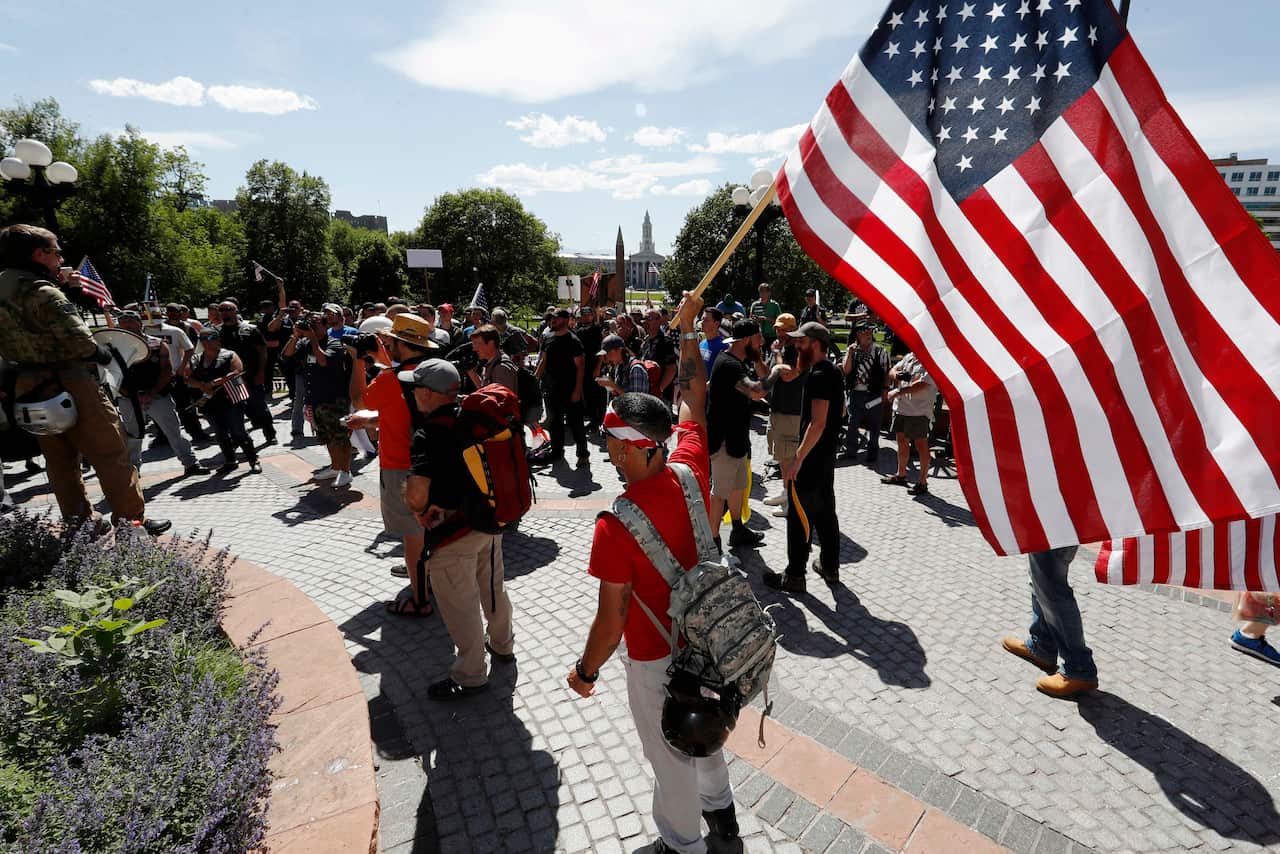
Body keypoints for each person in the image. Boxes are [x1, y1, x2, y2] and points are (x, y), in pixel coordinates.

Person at [566, 292, 739, 854]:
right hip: (707, 637)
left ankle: (682, 842)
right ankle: (724, 818)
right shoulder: (687, 463)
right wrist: (688, 329)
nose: (609, 452)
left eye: (614, 442)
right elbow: (692, 396)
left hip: (655, 656)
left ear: (639, 447)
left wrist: (586, 670)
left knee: (669, 755)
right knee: (706, 729)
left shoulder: (615, 525)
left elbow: (611, 618)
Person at [0, 225, 169, 534]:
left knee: (60, 461)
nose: (60, 258)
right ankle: (132, 522)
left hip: (27, 383)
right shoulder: (42, 291)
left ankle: (81, 525)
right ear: (39, 254)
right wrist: (103, 354)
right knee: (111, 453)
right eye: (57, 251)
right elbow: (81, 342)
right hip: (72, 381)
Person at [402, 360, 516, 700]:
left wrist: (418, 510)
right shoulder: (473, 418)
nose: (412, 393)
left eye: (415, 387)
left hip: (451, 533)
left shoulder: (428, 432)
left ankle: (470, 674)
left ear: (427, 393)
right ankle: (503, 645)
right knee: (493, 588)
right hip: (489, 521)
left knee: (460, 603)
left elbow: (417, 493)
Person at [346, 313, 439, 613]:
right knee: (433, 529)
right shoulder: (435, 371)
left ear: (400, 343)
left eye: (390, 341)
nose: (386, 345)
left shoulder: (388, 379)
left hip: (402, 467)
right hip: (435, 461)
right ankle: (431, 580)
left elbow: (360, 400)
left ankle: (419, 599)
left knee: (413, 536)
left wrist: (358, 361)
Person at [764, 322, 843, 593]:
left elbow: (818, 423)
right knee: (825, 513)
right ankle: (830, 567)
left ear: (815, 344)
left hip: (810, 460)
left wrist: (797, 459)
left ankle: (794, 576)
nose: (796, 346)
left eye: (801, 342)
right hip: (826, 457)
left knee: (798, 517)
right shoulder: (832, 371)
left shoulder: (820, 375)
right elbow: (840, 413)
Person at [706, 319, 772, 551]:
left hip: (736, 439)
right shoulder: (729, 365)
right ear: (746, 340)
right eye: (758, 338)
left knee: (738, 486)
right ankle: (713, 540)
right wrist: (778, 373)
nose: (762, 341)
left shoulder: (737, 361)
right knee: (720, 492)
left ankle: (737, 528)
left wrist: (759, 359)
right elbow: (755, 392)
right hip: (725, 440)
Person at [113, 311, 206, 476]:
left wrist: (151, 393)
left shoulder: (157, 344)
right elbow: (110, 374)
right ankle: (133, 470)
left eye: (130, 320)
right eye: (123, 321)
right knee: (133, 436)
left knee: (174, 431)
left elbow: (167, 370)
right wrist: (130, 395)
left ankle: (190, 463)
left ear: (139, 323)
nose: (127, 324)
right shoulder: (113, 348)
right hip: (128, 399)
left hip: (157, 395)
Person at [1001, 547, 1099, 698]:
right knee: (1040, 579)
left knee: (1051, 585)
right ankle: (1042, 645)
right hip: (1052, 525)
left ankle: (1079, 669)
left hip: (1057, 525)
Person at [283, 312, 352, 486]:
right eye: (309, 323)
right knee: (326, 436)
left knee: (339, 437)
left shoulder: (335, 343)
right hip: (315, 399)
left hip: (334, 399)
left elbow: (323, 361)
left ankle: (346, 471)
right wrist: (296, 335)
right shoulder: (304, 343)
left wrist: (313, 339)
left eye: (315, 323)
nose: (311, 326)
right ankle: (335, 467)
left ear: (325, 326)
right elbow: (287, 355)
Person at [186, 327, 260, 475]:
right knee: (220, 433)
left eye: (210, 338)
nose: (206, 342)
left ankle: (253, 460)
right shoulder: (195, 358)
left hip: (231, 399)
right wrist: (201, 385)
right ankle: (230, 461)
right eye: (202, 339)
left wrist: (212, 383)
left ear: (217, 339)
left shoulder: (229, 355)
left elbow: (236, 372)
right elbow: (187, 377)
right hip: (209, 402)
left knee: (238, 431)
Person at [215, 300, 276, 445]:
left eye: (228, 309)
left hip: (252, 375)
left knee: (259, 406)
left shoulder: (250, 329)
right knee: (237, 410)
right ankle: (240, 439)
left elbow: (262, 351)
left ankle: (270, 433)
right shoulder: (216, 332)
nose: (224, 312)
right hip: (231, 379)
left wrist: (261, 373)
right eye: (221, 309)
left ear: (236, 311)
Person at [534, 308, 588, 466]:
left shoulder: (573, 341)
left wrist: (578, 390)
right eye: (551, 319)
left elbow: (580, 367)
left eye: (555, 319)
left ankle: (583, 454)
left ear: (565, 320)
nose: (552, 321)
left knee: (576, 423)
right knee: (554, 422)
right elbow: (543, 360)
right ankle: (557, 452)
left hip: (570, 389)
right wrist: (535, 379)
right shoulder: (548, 338)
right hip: (551, 389)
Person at [763, 314, 805, 516]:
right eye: (778, 329)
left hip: (792, 412)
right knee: (781, 455)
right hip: (778, 408)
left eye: (783, 329)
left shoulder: (798, 350)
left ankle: (793, 502)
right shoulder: (782, 347)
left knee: (789, 457)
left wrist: (777, 354)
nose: (779, 333)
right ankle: (786, 492)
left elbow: (787, 376)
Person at [880, 351, 938, 496]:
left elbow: (922, 385)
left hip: (919, 411)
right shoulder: (910, 356)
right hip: (901, 408)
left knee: (921, 445)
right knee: (901, 441)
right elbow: (892, 370)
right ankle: (901, 474)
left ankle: (922, 482)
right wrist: (897, 376)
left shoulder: (931, 360)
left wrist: (898, 391)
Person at [840, 323, 890, 463]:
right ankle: (851, 452)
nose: (868, 335)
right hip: (856, 393)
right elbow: (846, 370)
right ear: (858, 335)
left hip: (874, 394)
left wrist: (885, 389)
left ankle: (872, 453)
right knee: (852, 424)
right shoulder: (853, 351)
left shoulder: (880, 351)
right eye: (864, 333)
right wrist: (849, 354)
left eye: (870, 332)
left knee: (875, 425)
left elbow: (887, 373)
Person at [574, 306, 605, 432]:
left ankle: (600, 421)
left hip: (595, 366)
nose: (586, 317)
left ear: (592, 316)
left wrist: (598, 367)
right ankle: (593, 421)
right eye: (583, 315)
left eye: (588, 314)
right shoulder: (579, 332)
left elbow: (602, 350)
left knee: (598, 396)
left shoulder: (598, 330)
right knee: (588, 396)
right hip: (583, 368)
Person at [595, 333, 650, 401]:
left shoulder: (636, 369)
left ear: (619, 350)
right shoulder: (618, 367)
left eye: (608, 353)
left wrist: (613, 385)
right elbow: (621, 393)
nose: (607, 358)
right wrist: (611, 388)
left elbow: (637, 402)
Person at [640, 308, 678, 404]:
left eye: (648, 319)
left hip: (660, 397)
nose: (645, 322)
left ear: (658, 321)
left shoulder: (665, 342)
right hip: (646, 393)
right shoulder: (646, 341)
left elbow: (671, 369)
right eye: (644, 319)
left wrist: (659, 389)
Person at [467, 324, 518, 394]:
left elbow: (503, 401)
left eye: (476, 343)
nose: (474, 348)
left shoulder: (501, 369)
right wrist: (472, 373)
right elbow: (486, 393)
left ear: (491, 344)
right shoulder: (492, 363)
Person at [697, 307, 726, 377]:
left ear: (716, 324)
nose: (702, 323)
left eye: (706, 320)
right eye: (702, 319)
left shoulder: (724, 346)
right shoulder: (701, 343)